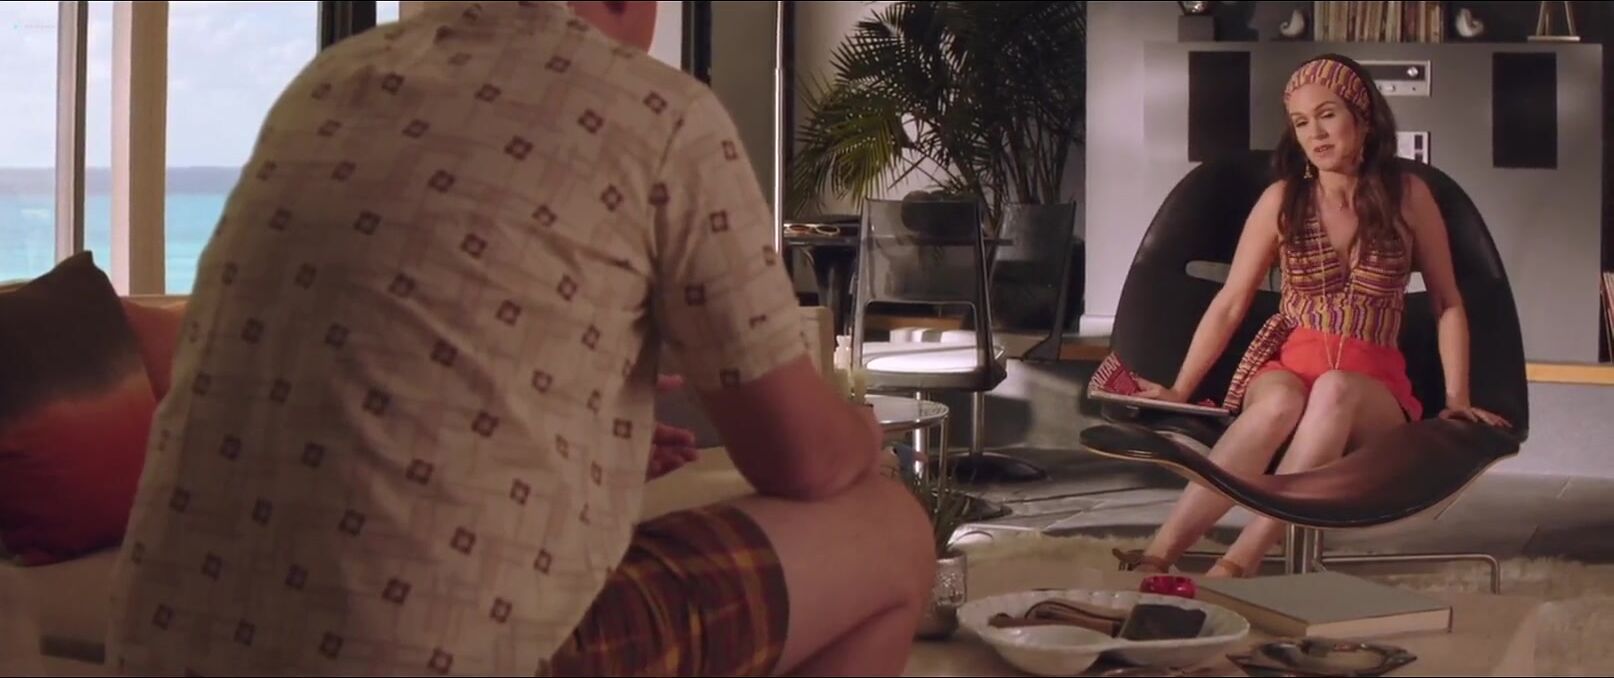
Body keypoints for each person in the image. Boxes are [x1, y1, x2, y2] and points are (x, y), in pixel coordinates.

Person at [104, 2, 935, 676]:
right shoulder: (659, 114)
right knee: (888, 531)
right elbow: (802, 460)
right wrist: (863, 431)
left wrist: (569, 433)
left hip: (162, 651)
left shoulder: (327, 84)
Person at [1112, 54, 1511, 579]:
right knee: (1279, 402)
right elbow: (1231, 301)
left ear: (1363, 118)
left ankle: (1236, 566)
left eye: (1327, 115)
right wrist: (1181, 390)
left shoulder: (1409, 196)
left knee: (1335, 389)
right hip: (1287, 369)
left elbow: (1447, 302)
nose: (1315, 133)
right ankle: (1155, 558)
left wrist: (1457, 399)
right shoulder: (1282, 200)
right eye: (1301, 122)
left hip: (1372, 392)